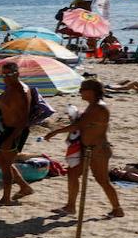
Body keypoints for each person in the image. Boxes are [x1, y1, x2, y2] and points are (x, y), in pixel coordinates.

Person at [45, 79, 123, 217]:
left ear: (91, 91)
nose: (80, 92)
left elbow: (78, 126)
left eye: (82, 89)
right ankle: (70, 207)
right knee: (72, 173)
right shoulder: (92, 106)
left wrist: (55, 132)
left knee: (102, 180)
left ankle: (117, 209)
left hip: (98, 150)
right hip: (86, 148)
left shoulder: (99, 108)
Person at [0, 61, 33, 206]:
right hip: (6, 129)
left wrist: (12, 137)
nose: (5, 77)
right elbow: (4, 107)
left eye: (9, 74)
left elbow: (24, 119)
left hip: (15, 131)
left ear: (17, 74)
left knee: (6, 164)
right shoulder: (9, 87)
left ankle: (6, 199)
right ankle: (24, 187)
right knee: (0, 161)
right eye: (3, 74)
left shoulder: (22, 91)